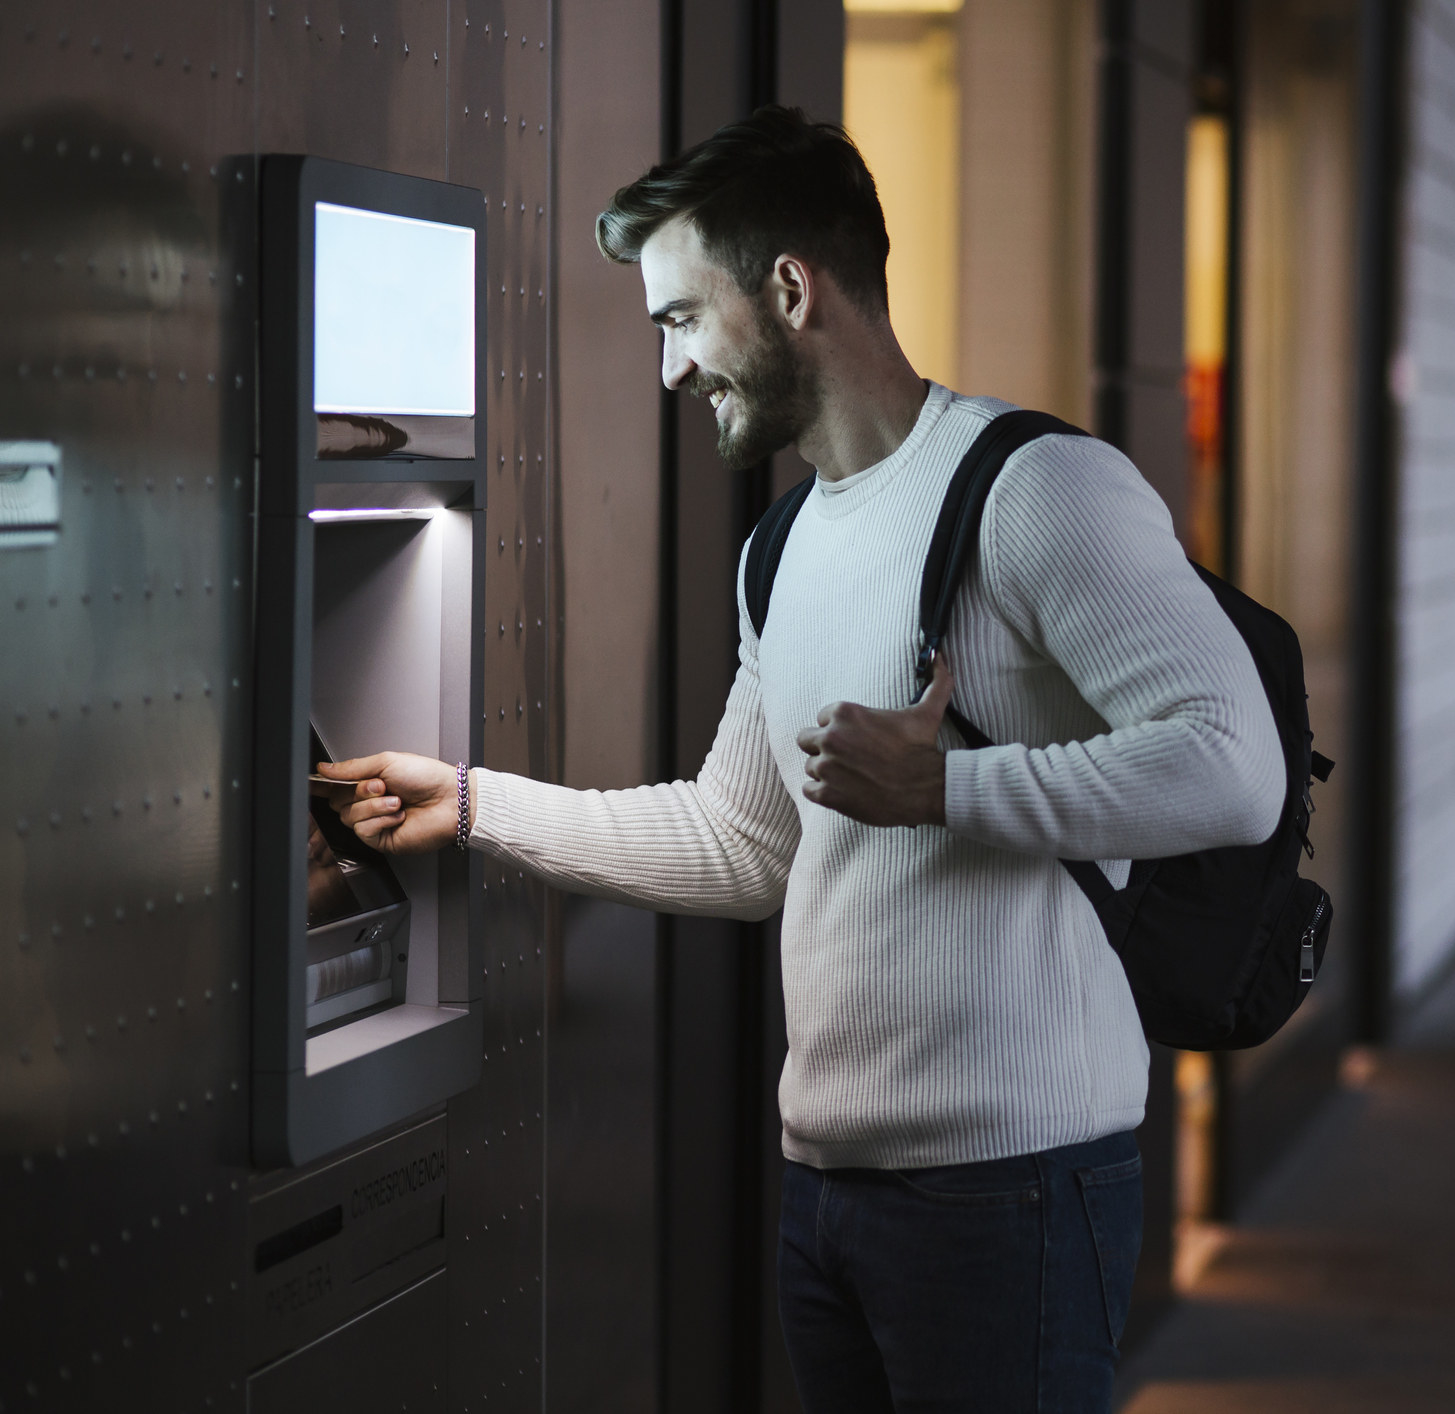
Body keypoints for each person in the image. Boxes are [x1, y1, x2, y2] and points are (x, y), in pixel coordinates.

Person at [317, 105, 1280, 1414]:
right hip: (830, 1188)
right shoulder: (779, 549)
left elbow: (1234, 764)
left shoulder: (1037, 488)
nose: (669, 368)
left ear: (788, 288)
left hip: (1014, 1187)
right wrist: (479, 804)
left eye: (680, 318)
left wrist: (944, 788)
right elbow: (742, 842)